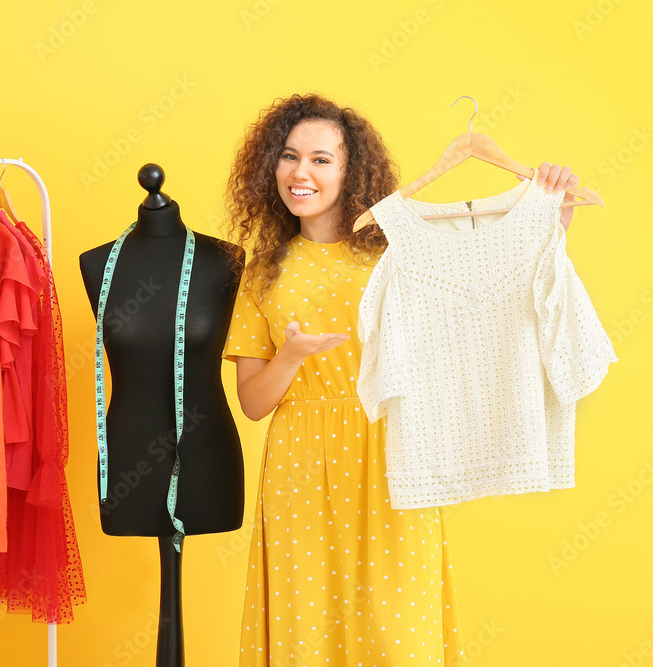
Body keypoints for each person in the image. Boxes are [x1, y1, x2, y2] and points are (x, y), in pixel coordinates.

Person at [222, 93, 579, 666]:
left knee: (401, 628)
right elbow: (253, 404)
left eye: (321, 159)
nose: (301, 173)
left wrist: (549, 226)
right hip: (298, 466)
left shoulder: (401, 250)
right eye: (289, 158)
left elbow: (488, 306)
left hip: (396, 451)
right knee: (305, 626)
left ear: (350, 169)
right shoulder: (264, 271)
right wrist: (289, 356)